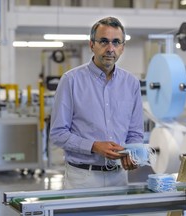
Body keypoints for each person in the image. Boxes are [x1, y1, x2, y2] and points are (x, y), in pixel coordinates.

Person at [49, 16, 144, 189]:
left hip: (119, 177)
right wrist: (93, 146)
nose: (110, 48)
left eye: (116, 42)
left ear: (122, 47)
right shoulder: (71, 80)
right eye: (104, 42)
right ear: (92, 44)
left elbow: (135, 133)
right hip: (83, 177)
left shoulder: (131, 83)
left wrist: (132, 153)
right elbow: (58, 134)